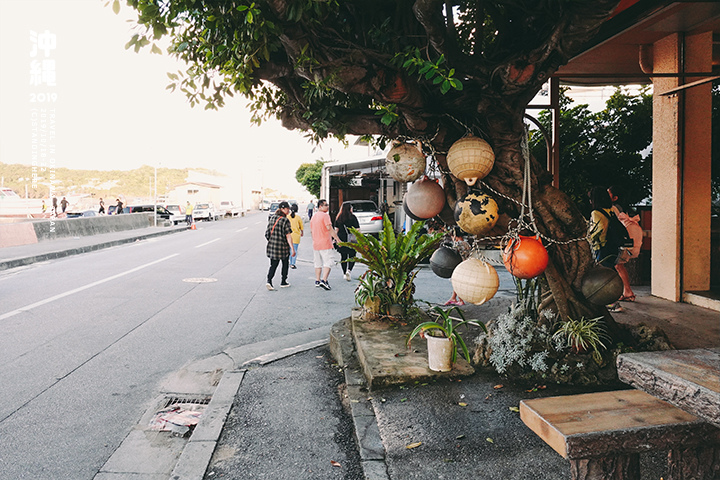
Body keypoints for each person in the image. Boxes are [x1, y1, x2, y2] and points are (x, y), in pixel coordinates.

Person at [588, 186, 622, 312]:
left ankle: (612, 302)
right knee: (610, 272)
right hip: (612, 246)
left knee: (604, 275)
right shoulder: (610, 210)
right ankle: (613, 300)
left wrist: (591, 238)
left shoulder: (596, 213)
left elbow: (599, 228)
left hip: (601, 247)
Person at [608, 186, 643, 303]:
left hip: (624, 238)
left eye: (608, 194)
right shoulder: (624, 207)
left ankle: (627, 291)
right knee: (619, 265)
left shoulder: (614, 208)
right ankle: (626, 291)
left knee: (618, 265)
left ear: (615, 198)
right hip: (630, 237)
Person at [310, 199, 340, 290]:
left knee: (317, 263)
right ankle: (324, 280)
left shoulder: (314, 217)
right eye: (325, 205)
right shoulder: (325, 216)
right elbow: (329, 228)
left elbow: (312, 231)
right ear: (320, 206)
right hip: (325, 243)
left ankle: (317, 280)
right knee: (328, 262)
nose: (327, 206)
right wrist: (337, 239)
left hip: (316, 243)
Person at [265, 201, 295, 290]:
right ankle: (283, 281)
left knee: (273, 265)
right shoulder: (285, 220)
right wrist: (292, 248)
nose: (289, 210)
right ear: (282, 209)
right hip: (283, 247)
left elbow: (267, 234)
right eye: (287, 208)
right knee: (285, 264)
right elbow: (288, 235)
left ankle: (269, 281)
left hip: (272, 247)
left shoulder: (272, 218)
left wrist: (273, 241)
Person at [334, 202, 360, 281]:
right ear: (349, 209)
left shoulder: (339, 218)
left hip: (342, 239)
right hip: (352, 239)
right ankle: (349, 270)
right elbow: (357, 229)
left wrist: (335, 239)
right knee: (352, 256)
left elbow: (336, 230)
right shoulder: (353, 217)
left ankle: (344, 273)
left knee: (343, 257)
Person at [287, 204, 304, 269]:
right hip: (296, 236)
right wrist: (302, 232)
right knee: (294, 250)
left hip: (288, 236)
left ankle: (288, 261)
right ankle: (292, 263)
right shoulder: (298, 217)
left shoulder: (287, 216)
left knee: (289, 250)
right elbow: (301, 226)